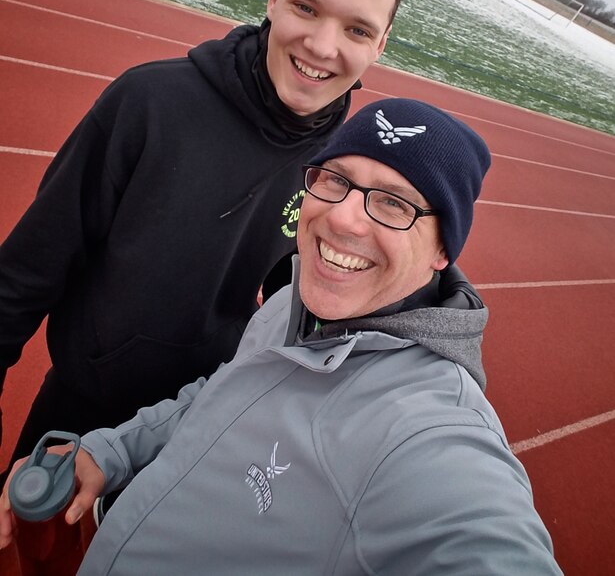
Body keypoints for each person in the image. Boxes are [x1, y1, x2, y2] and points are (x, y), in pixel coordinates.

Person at [0, 98, 563, 574]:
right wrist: (114, 449)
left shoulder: (426, 429)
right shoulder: (298, 301)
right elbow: (225, 394)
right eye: (336, 180)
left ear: (444, 249)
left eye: (394, 202)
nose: (344, 219)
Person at [0, 0, 407, 475]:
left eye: (357, 30)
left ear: (380, 45)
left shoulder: (341, 169)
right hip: (78, 417)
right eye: (306, 8)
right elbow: (19, 281)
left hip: (202, 429)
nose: (321, 45)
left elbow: (304, 307)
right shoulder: (149, 103)